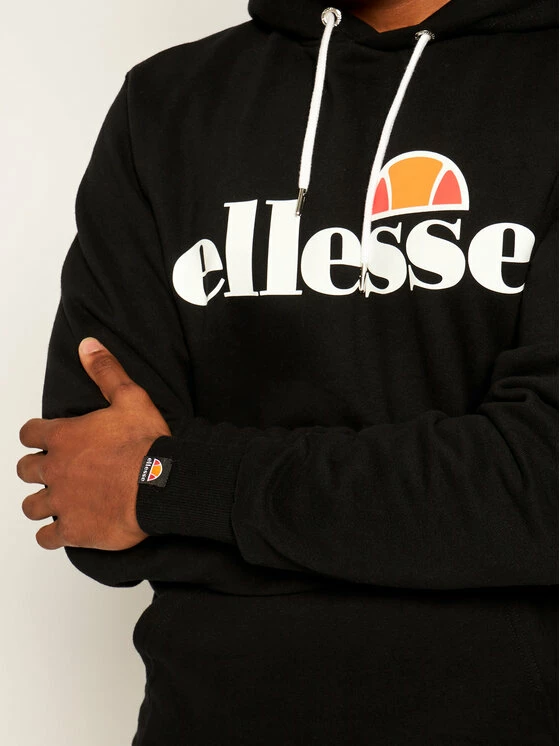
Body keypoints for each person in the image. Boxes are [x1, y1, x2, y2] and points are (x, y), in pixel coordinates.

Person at [17, 0, 558, 743]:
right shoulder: (168, 103)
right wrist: (436, 517)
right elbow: (86, 491)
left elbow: (540, 486)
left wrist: (175, 482)